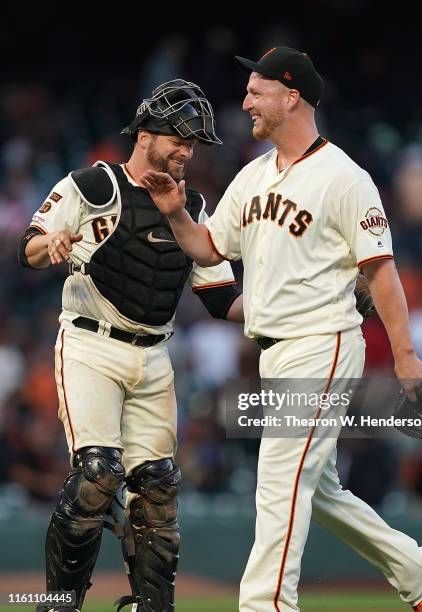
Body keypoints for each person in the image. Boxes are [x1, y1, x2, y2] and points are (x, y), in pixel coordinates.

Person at [142, 49, 422, 612]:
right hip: (273, 352)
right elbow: (211, 248)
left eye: (256, 91)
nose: (245, 102)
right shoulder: (253, 175)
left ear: (291, 96)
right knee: (317, 488)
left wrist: (405, 355)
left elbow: (380, 270)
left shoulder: (344, 177)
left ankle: (266, 606)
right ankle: (416, 567)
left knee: (280, 480)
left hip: (323, 342)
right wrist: (176, 213)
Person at [18, 79, 243, 612]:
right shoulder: (93, 186)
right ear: (145, 134)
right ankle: (60, 603)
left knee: (159, 486)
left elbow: (221, 300)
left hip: (154, 354)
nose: (187, 152)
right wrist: (47, 245)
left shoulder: (193, 208)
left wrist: (295, 315)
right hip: (91, 342)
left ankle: (152, 605)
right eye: (179, 140)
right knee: (98, 473)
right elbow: (26, 248)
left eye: (193, 144)